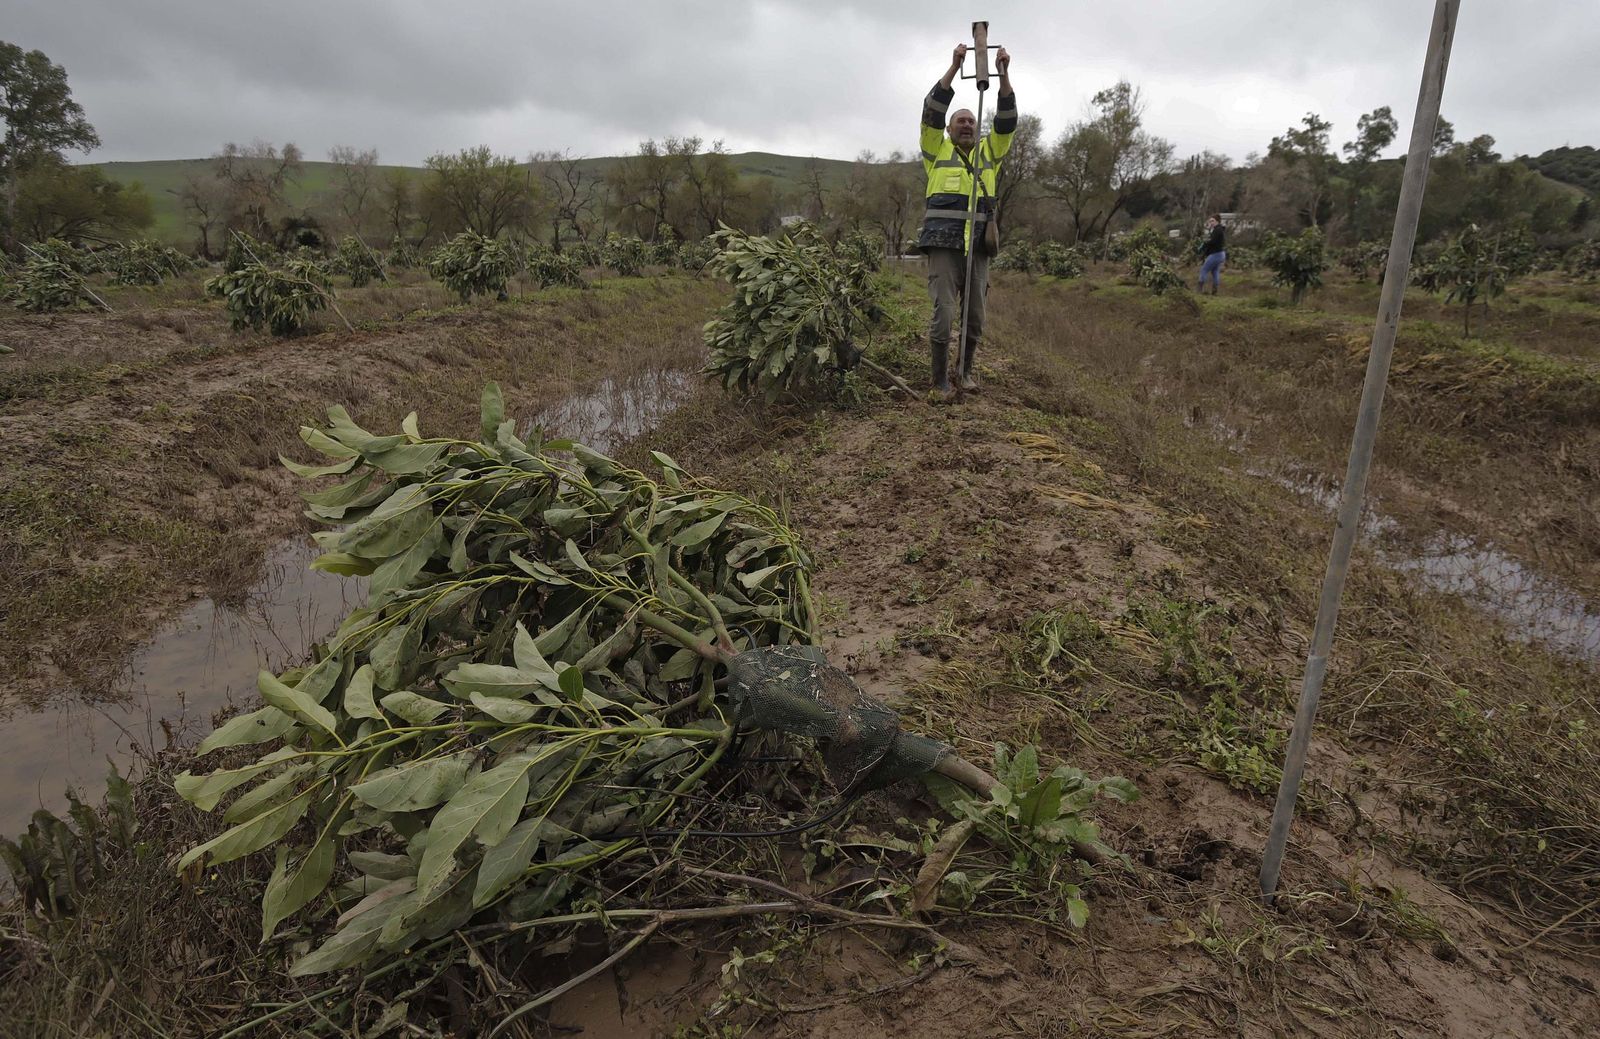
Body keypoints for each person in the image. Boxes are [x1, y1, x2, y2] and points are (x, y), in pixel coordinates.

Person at [918, 42, 1016, 398]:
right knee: (944, 315)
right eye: (960, 120)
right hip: (943, 246)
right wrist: (954, 66)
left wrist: (1003, 74)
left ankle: (966, 372)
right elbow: (931, 111)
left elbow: (1007, 120)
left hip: (978, 247)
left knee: (974, 318)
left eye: (972, 121)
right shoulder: (935, 150)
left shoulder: (991, 152)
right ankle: (940, 379)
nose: (967, 124)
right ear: (948, 129)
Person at [1197, 214, 1226, 295]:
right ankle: (1214, 291)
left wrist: (1204, 245)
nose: (1211, 222)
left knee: (1204, 269)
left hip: (1216, 254)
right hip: (1221, 254)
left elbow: (1212, 242)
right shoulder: (1218, 229)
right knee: (1215, 271)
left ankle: (1199, 290)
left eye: (1212, 221)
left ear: (1217, 221)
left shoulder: (1217, 230)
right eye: (1210, 221)